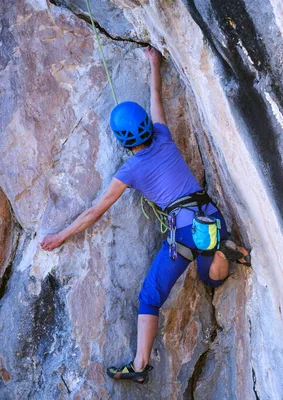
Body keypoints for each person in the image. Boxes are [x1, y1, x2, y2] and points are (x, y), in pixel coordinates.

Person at [40, 46, 249, 384]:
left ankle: (139, 367)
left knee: (150, 297)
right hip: (209, 213)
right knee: (210, 273)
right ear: (146, 128)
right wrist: (155, 63)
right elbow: (156, 97)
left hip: (182, 230)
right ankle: (218, 247)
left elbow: (95, 212)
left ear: (122, 140)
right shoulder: (164, 136)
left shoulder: (130, 170)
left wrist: (60, 236)